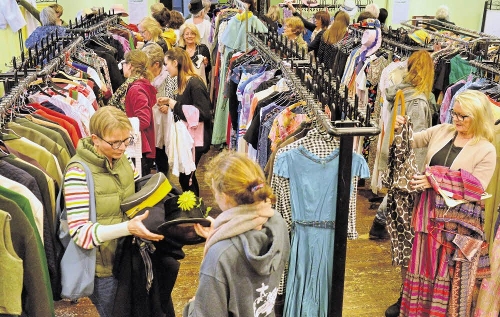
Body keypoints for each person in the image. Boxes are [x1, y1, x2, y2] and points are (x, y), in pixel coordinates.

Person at [393, 90, 496, 316]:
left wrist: (434, 179)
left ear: (478, 116)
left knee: (448, 273)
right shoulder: (442, 131)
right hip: (428, 215)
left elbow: (476, 187)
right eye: (454, 113)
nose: (456, 119)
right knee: (424, 266)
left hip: (456, 226)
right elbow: (411, 139)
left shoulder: (486, 149)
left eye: (463, 116)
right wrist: (399, 125)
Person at [63, 106, 164, 317]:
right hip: (103, 269)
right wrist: (128, 228)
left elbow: (132, 192)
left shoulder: (121, 159)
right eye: (114, 142)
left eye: (126, 140)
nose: (121, 147)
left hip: (128, 256)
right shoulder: (77, 173)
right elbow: (81, 234)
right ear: (95, 139)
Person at [367, 50, 435, 317]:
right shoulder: (418, 100)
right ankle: (380, 221)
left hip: (393, 157)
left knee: (395, 204)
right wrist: (419, 173)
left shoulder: (398, 89)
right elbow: (415, 142)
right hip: (410, 168)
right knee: (408, 228)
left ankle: (379, 222)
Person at [183, 151, 290, 317]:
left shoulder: (220, 256)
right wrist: (221, 234)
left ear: (224, 197)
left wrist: (192, 306)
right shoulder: (278, 224)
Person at [158, 48, 212, 196]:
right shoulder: (184, 82)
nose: (165, 68)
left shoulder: (194, 83)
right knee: (186, 176)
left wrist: (172, 103)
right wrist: (169, 105)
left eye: (167, 64)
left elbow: (203, 113)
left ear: (175, 63)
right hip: (189, 138)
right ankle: (194, 207)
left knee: (186, 177)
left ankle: (195, 209)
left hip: (196, 139)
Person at [108, 50, 157, 177]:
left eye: (123, 63)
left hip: (138, 148)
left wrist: (121, 127)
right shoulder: (138, 85)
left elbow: (143, 120)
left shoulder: (135, 88)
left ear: (130, 65)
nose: (122, 66)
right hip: (138, 146)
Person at [142, 43, 177, 176]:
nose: (144, 67)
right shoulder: (144, 77)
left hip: (163, 122)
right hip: (149, 120)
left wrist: (168, 106)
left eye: (147, 64)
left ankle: (163, 180)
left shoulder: (169, 76)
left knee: (161, 154)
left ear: (156, 64)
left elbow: (176, 96)